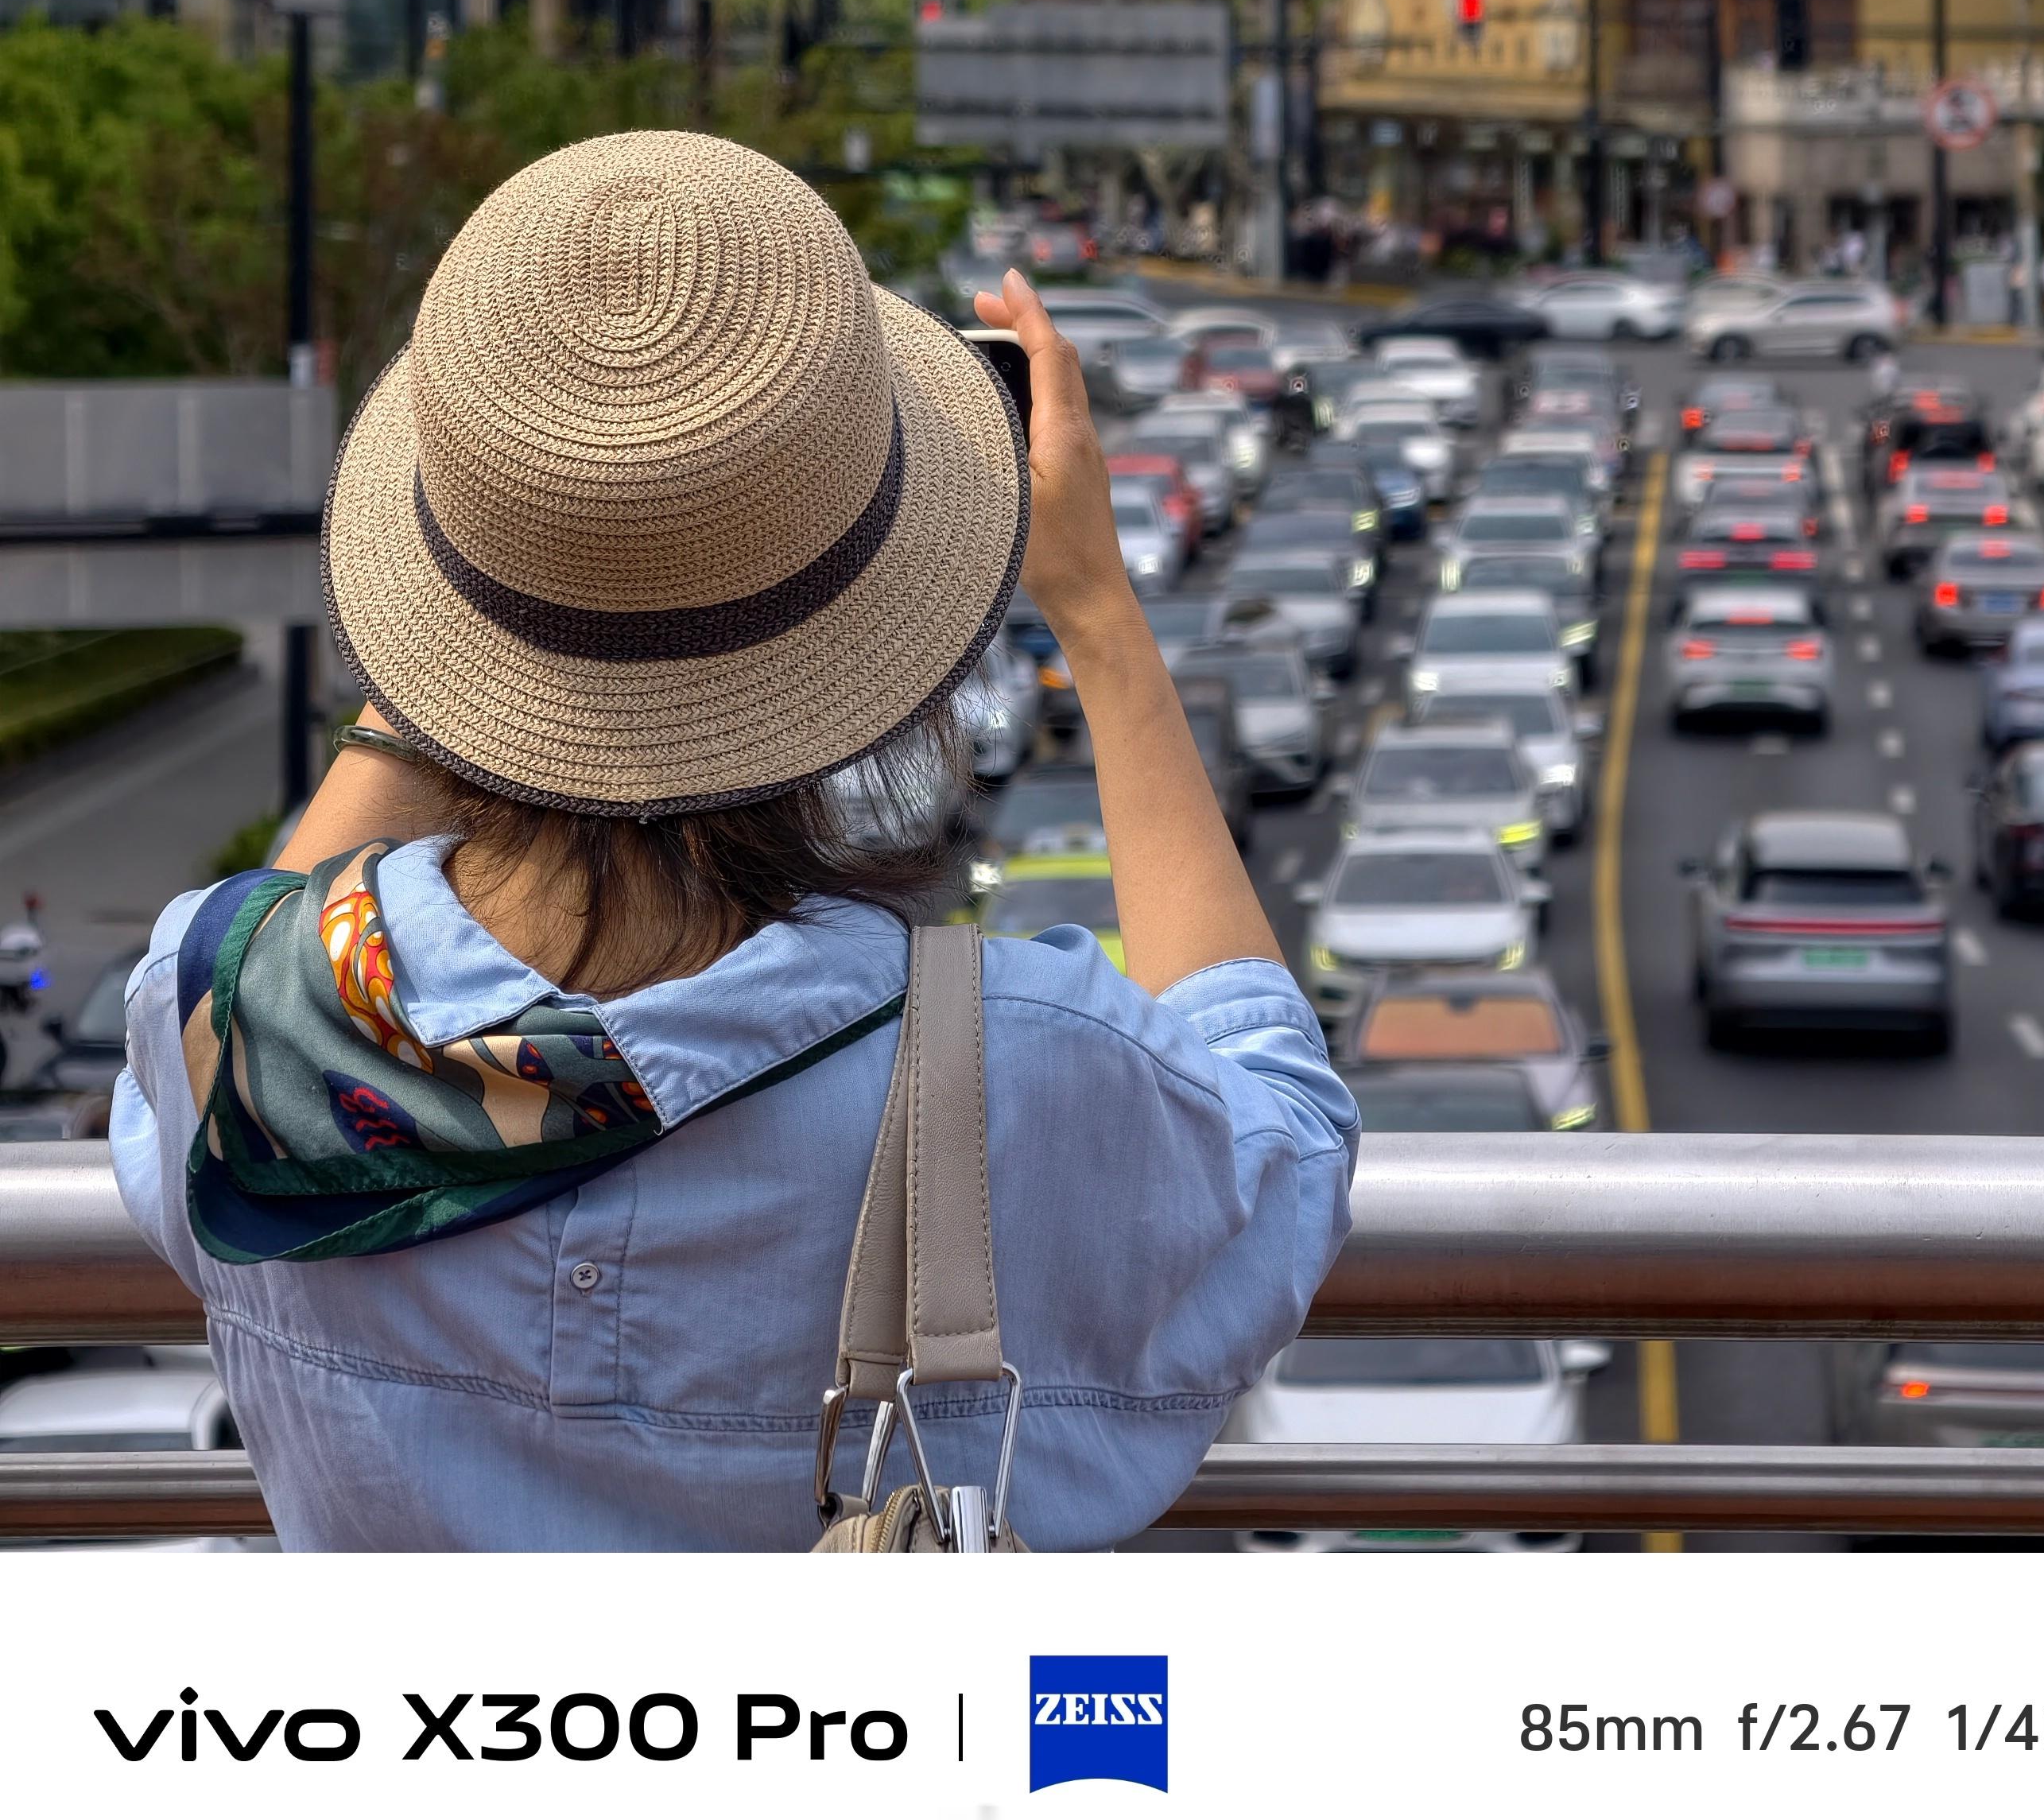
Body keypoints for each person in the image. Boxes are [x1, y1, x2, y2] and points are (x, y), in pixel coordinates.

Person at [112, 132, 1356, 1551]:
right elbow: (1287, 1134)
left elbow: (265, 936)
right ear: (882, 625)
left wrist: (514, 611)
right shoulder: (1016, 1064)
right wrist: (1100, 616)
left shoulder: (232, 1024)